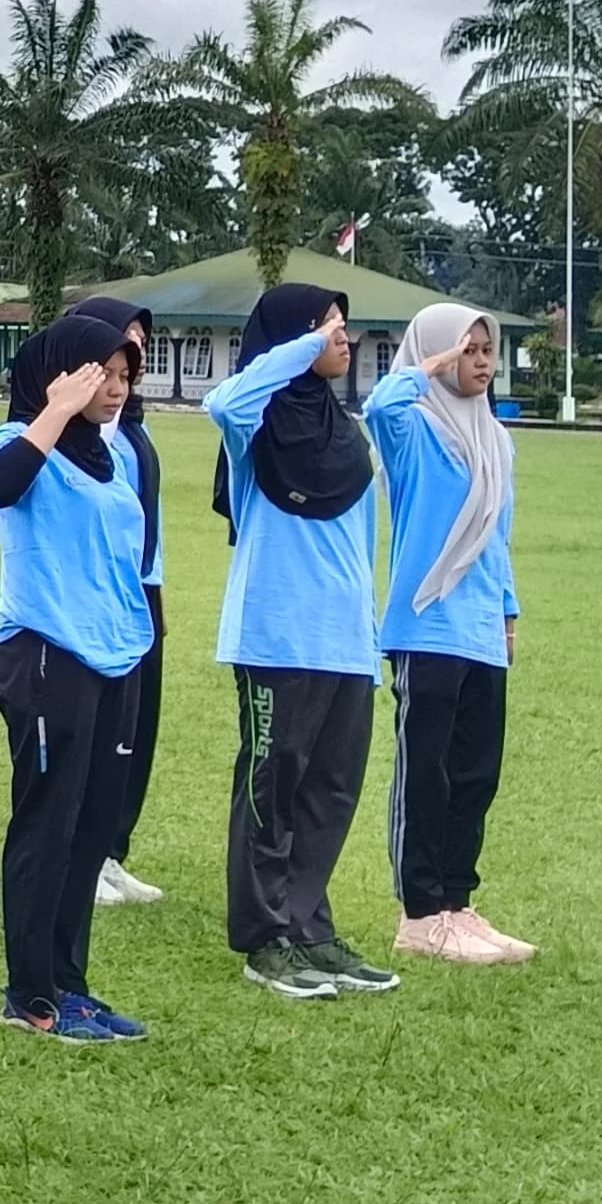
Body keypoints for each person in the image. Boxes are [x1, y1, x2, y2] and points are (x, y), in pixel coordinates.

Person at [0, 308, 158, 1045]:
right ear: (58, 374)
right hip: (47, 656)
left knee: (90, 829)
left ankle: (71, 985)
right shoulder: (19, 439)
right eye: (99, 373)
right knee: (47, 822)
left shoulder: (113, 462)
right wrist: (55, 409)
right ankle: (29, 993)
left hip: (114, 660)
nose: (114, 387)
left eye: (122, 374)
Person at [205, 284, 393, 1003]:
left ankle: (310, 927)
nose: (341, 337)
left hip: (346, 641)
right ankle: (264, 938)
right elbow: (223, 402)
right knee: (269, 786)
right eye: (326, 325)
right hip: (275, 636)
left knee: (330, 790)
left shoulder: (346, 431)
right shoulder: (257, 430)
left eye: (342, 326)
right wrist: (301, 347)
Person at [368, 304, 531, 965]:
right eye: (469, 349)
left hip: (479, 627)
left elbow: (497, 536)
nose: (484, 361)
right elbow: (377, 406)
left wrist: (508, 609)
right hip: (427, 623)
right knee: (425, 773)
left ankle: (457, 903)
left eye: (488, 348)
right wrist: (427, 367)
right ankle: (419, 911)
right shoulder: (414, 430)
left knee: (475, 771)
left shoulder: (494, 437)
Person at [70, 299, 171, 908]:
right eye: (119, 346)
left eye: (135, 351)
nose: (125, 369)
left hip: (144, 589)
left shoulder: (134, 428)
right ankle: (83, 854)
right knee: (96, 731)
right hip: (101, 592)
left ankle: (112, 850)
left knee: (137, 728)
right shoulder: (82, 431)